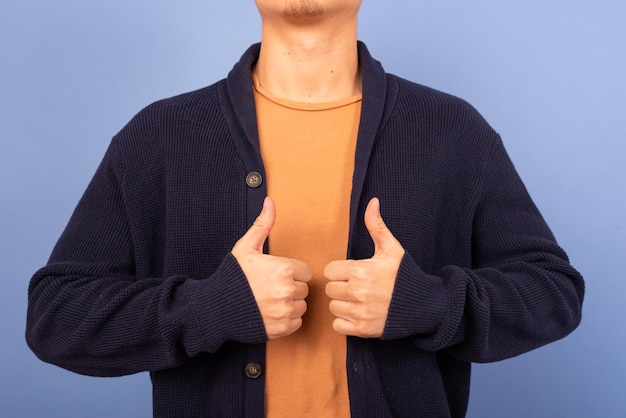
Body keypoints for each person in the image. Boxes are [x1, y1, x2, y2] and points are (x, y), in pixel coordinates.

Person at [25, 1, 585, 417]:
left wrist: (430, 304)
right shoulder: (162, 135)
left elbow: (553, 291)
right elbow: (55, 317)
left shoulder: (451, 130)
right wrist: (206, 309)